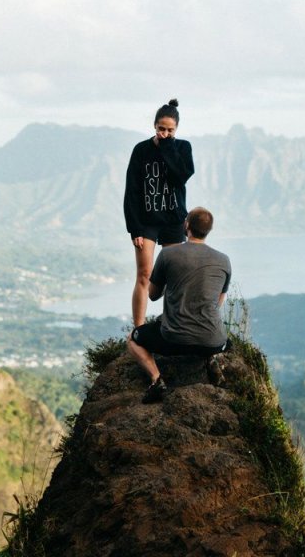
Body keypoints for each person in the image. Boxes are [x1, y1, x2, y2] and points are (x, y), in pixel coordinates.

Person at [127, 207, 230, 403]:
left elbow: (153, 295)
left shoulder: (168, 254)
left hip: (174, 339)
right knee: (219, 340)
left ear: (187, 225)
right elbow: (217, 303)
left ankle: (157, 379)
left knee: (133, 339)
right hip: (214, 341)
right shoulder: (224, 260)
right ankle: (210, 358)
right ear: (209, 230)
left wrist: (173, 284)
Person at [123, 98, 195, 327]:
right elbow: (132, 190)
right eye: (161, 129)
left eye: (170, 130)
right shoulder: (141, 150)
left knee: (173, 276)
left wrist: (167, 147)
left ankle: (171, 323)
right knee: (144, 274)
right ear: (154, 126)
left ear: (177, 129)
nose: (165, 133)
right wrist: (134, 227)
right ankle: (139, 327)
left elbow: (180, 177)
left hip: (173, 219)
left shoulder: (182, 147)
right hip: (146, 222)